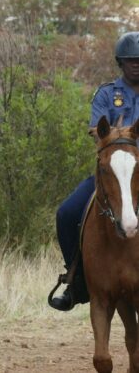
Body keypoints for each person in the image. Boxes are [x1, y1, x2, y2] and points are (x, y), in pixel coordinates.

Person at [50, 31, 139, 311]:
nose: (136, 64)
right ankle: (75, 280)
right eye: (130, 60)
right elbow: (95, 128)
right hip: (112, 172)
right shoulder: (106, 94)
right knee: (66, 213)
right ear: (120, 63)